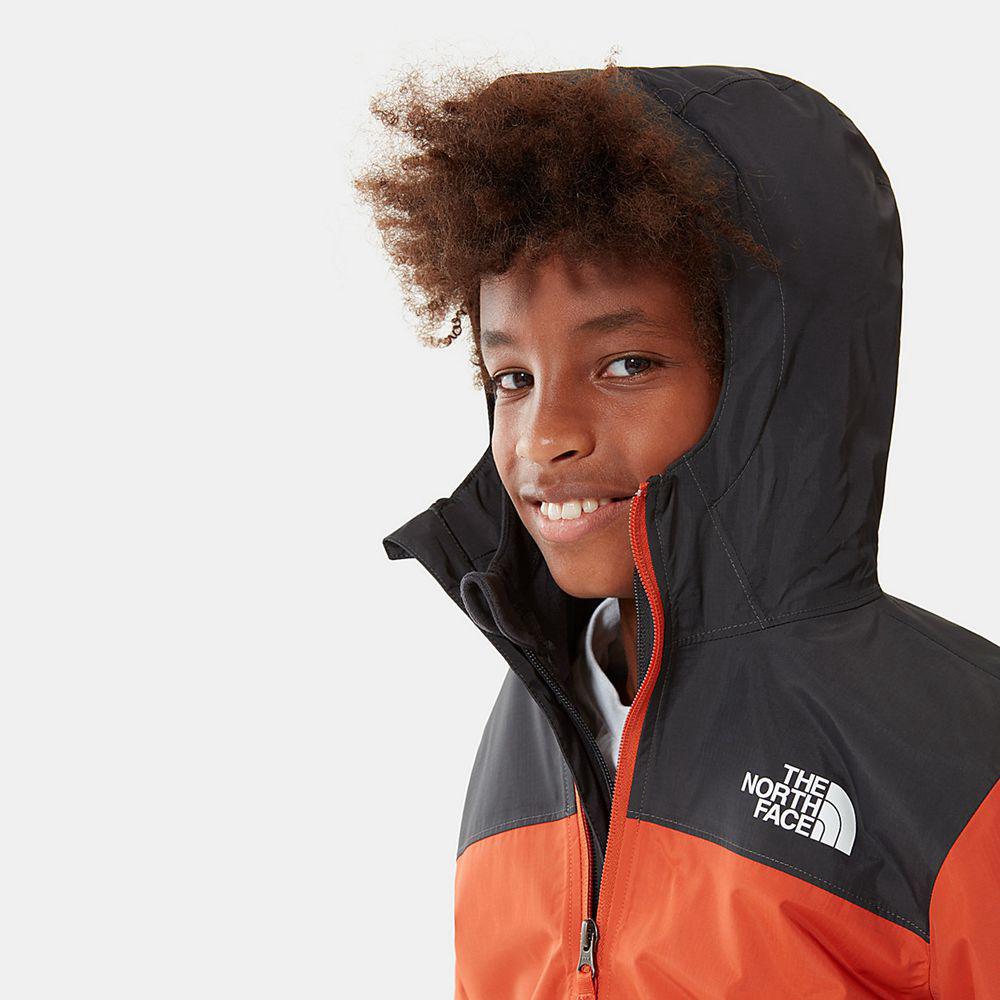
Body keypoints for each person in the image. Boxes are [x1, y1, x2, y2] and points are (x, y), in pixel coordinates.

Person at [356, 61, 1000, 998]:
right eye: (512, 378)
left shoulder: (961, 759)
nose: (543, 435)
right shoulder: (536, 721)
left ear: (770, 384)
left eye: (626, 364)